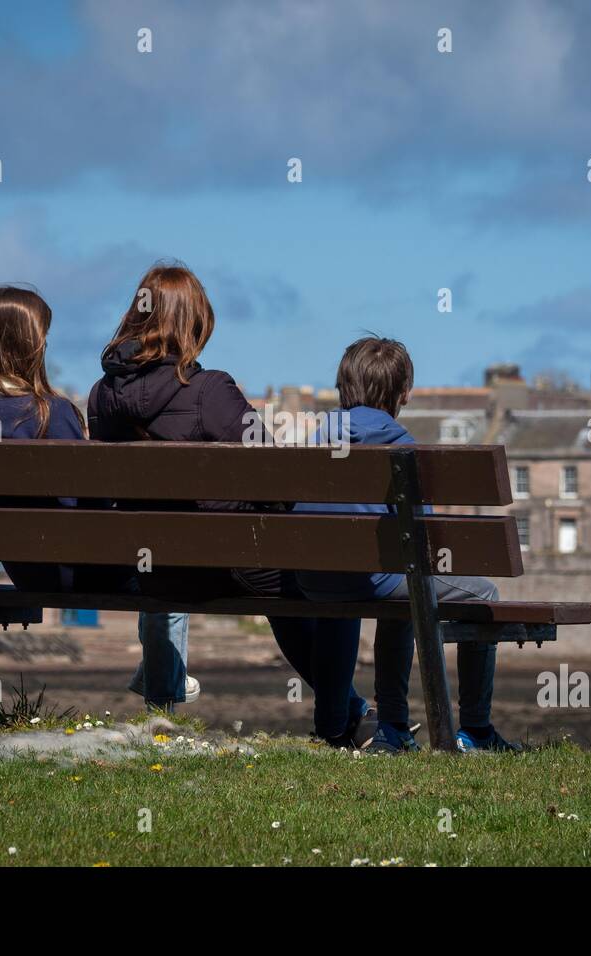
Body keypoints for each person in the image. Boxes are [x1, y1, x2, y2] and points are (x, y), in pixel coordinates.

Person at [87, 260, 373, 745]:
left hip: (153, 571)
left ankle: (353, 713)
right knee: (318, 581)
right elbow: (274, 476)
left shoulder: (100, 398)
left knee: (281, 579)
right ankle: (343, 721)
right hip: (222, 567)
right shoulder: (209, 390)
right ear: (194, 323)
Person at [0, 285, 195, 709]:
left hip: (24, 570)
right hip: (76, 569)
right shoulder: (51, 413)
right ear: (32, 344)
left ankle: (158, 673)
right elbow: (91, 510)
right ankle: (162, 695)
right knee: (170, 565)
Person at [294, 336, 522, 754]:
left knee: (397, 580)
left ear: (344, 387)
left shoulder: (309, 442)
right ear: (403, 395)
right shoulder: (401, 449)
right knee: (468, 589)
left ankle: (333, 729)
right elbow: (425, 540)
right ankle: (471, 729)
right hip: (375, 579)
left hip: (314, 580)